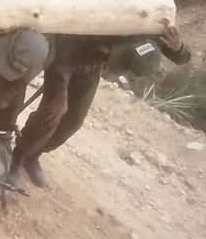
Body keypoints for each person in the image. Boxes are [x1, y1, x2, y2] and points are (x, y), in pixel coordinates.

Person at [10, 24, 191, 188]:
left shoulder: (150, 29)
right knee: (51, 114)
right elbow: (64, 51)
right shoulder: (106, 22)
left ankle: (33, 156)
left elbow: (183, 58)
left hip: (92, 68)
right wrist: (60, 92)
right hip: (67, 58)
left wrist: (179, 48)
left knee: (73, 122)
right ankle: (18, 157)